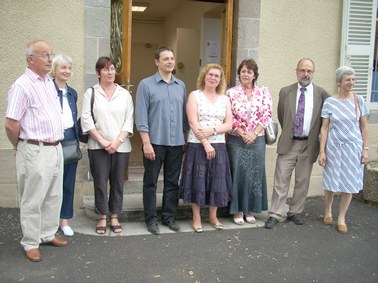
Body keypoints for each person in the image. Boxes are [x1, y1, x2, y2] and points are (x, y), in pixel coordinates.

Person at [5, 40, 68, 262]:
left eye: (51, 54)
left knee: (53, 195)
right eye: (45, 55)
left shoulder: (48, 83)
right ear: (31, 59)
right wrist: (18, 145)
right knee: (32, 198)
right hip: (34, 149)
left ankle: (47, 233)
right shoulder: (22, 85)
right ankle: (31, 242)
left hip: (54, 148)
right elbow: (11, 123)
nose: (50, 59)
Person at [265, 58, 330, 229]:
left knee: (302, 180)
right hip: (289, 143)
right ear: (296, 71)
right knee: (281, 180)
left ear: (313, 73)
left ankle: (295, 212)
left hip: (308, 144)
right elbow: (282, 115)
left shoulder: (321, 94)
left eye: (309, 71)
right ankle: (276, 213)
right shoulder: (286, 92)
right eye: (302, 70)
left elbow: (326, 120)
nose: (305, 74)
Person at [135, 46, 188, 235]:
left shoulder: (180, 85)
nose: (170, 62)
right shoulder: (146, 85)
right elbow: (141, 116)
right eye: (165, 59)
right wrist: (146, 142)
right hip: (154, 142)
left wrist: (184, 138)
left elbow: (183, 116)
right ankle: (151, 220)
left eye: (172, 58)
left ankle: (169, 218)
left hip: (175, 143)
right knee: (150, 182)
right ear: (156, 62)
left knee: (172, 182)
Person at [81, 57, 134, 235]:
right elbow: (86, 120)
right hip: (97, 146)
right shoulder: (91, 93)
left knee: (118, 182)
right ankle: (102, 215)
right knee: (100, 182)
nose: (110, 72)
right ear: (98, 73)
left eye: (112, 69)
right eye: (106, 69)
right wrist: (103, 142)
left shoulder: (124, 94)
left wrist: (117, 142)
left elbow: (129, 121)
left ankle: (115, 216)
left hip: (122, 146)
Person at [179, 63, 233, 233]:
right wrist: (206, 143)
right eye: (210, 74)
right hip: (198, 145)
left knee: (216, 181)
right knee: (198, 181)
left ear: (220, 80)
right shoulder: (195, 96)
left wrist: (213, 130)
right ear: (204, 76)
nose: (213, 78)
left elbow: (230, 124)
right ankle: (196, 217)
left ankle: (213, 216)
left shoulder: (225, 99)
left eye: (217, 76)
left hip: (219, 145)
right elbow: (193, 122)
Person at [318, 66, 368, 234]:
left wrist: (365, 149)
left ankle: (341, 217)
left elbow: (364, 127)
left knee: (349, 182)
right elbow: (324, 128)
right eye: (348, 80)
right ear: (339, 82)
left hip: (353, 148)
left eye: (353, 80)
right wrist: (322, 151)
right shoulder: (330, 102)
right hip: (334, 148)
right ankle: (328, 210)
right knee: (331, 180)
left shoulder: (359, 101)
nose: (351, 83)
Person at [226, 59, 272, 225]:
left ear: (254, 75)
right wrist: (240, 131)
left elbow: (267, 115)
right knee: (237, 173)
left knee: (254, 173)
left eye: (249, 72)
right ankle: (237, 210)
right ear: (239, 73)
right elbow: (228, 115)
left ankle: (250, 209)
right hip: (236, 138)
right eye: (243, 71)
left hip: (257, 139)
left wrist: (254, 133)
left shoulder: (263, 92)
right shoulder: (231, 93)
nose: (245, 74)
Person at [50, 54, 79, 237]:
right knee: (51, 183)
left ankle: (64, 220)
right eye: (63, 68)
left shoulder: (72, 93)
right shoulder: (47, 90)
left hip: (69, 138)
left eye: (69, 68)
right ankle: (49, 221)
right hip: (52, 140)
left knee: (68, 182)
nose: (66, 71)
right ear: (54, 69)